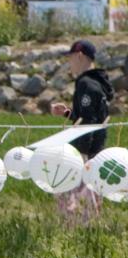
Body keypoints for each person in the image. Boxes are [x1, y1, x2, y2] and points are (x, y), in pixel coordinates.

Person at [51, 39, 114, 223]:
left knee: (67, 189)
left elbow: (89, 122)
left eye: (70, 58)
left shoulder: (86, 84)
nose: (69, 63)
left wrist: (80, 154)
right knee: (90, 193)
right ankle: (88, 229)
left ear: (79, 56)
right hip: (96, 149)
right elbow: (89, 115)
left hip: (85, 151)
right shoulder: (98, 82)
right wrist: (68, 113)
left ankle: (72, 230)